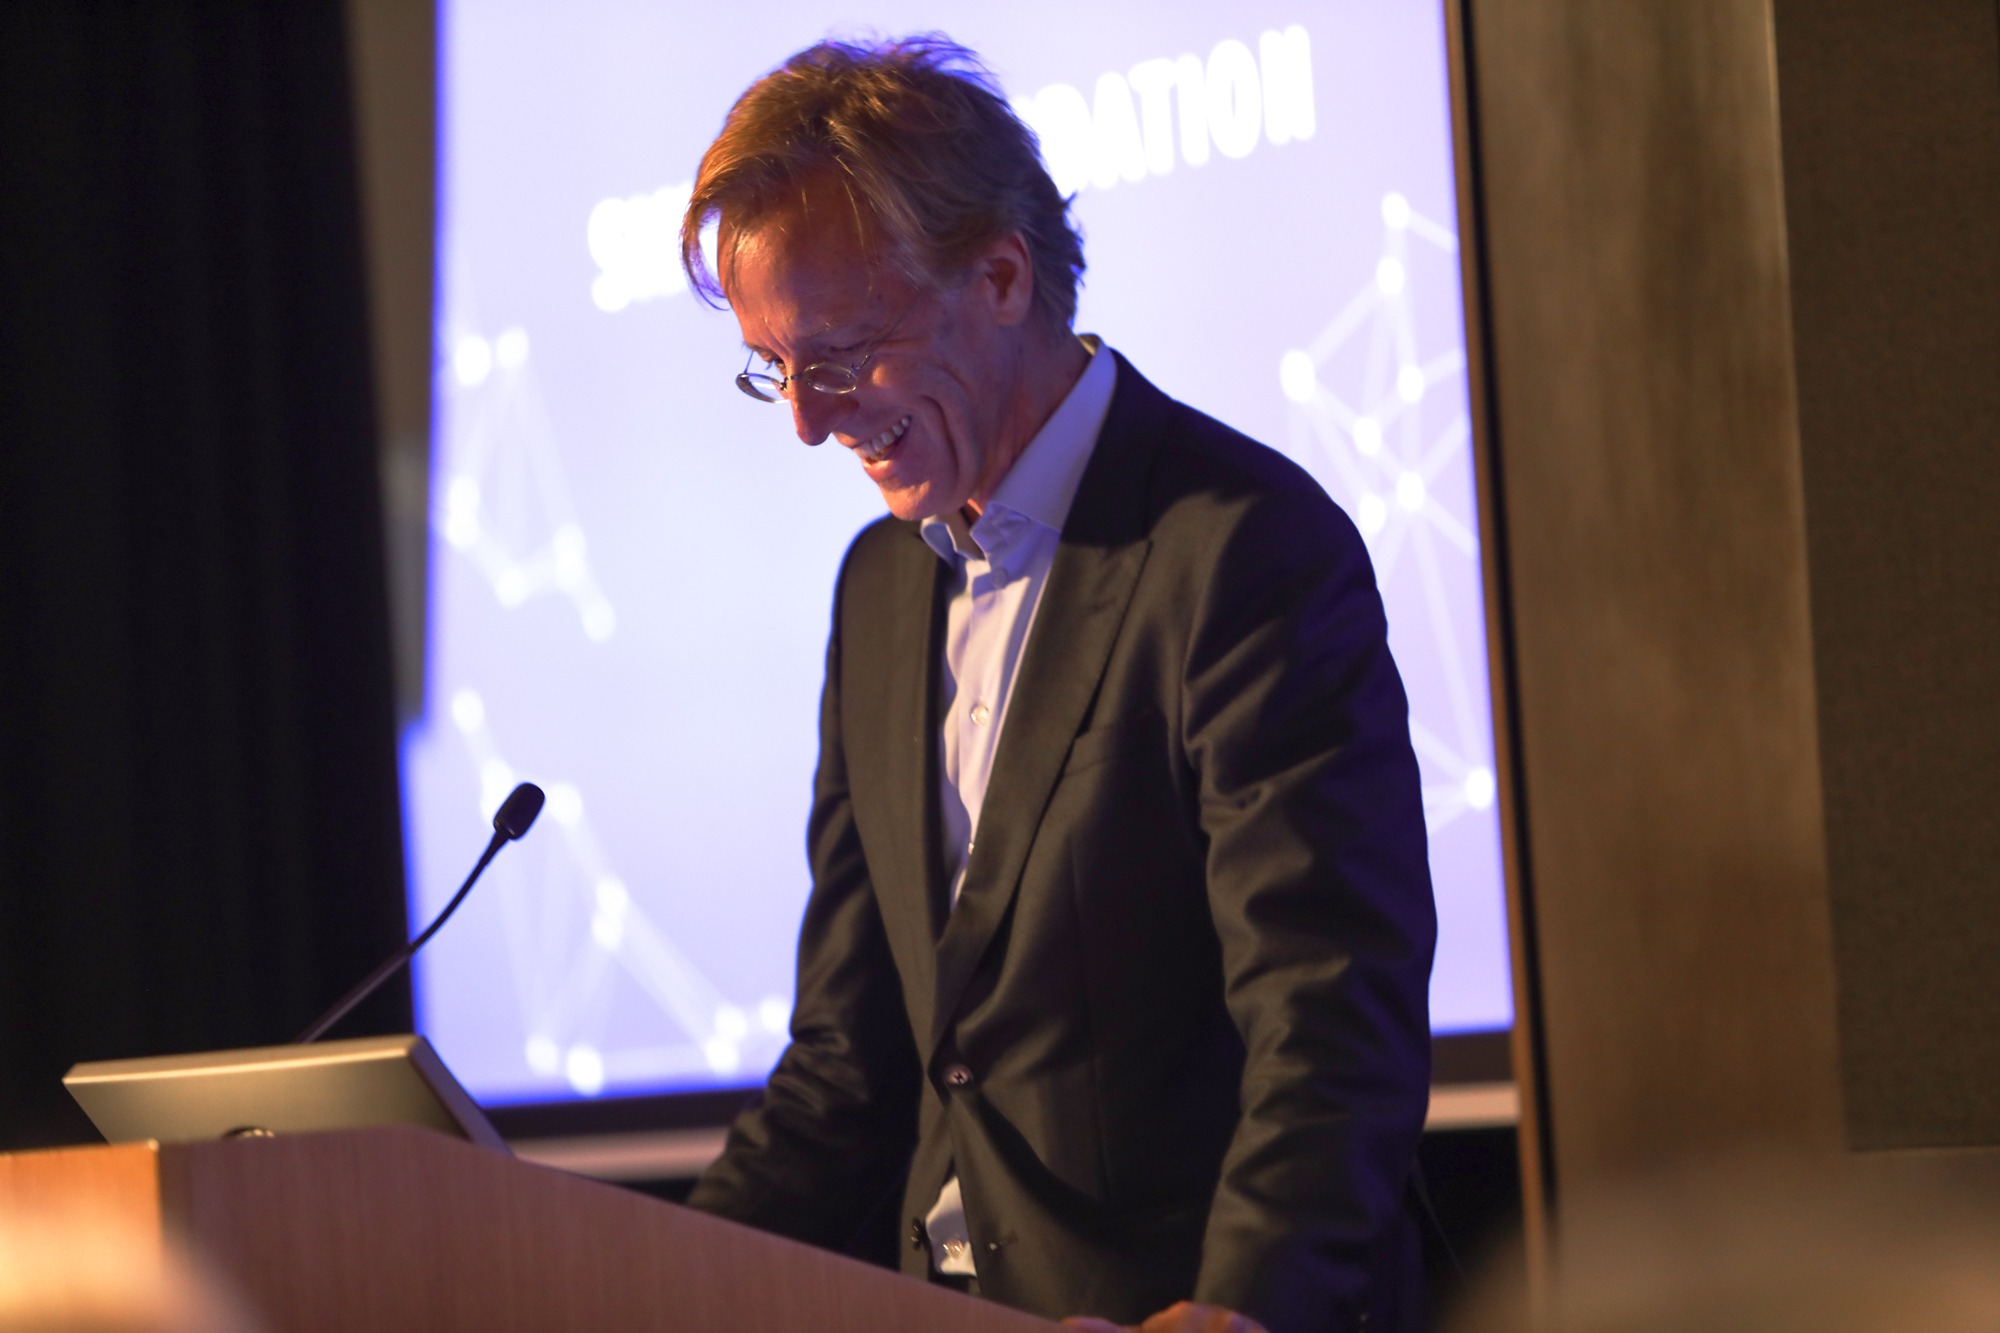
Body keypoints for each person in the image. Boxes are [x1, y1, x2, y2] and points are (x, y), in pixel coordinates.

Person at [678, 36, 1437, 1333]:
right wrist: (631, 1280)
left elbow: (1328, 1015)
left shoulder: (1240, 546)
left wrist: (1243, 1309)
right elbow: (848, 1068)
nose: (807, 419)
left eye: (840, 355)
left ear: (1000, 275)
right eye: (774, 368)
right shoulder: (877, 591)